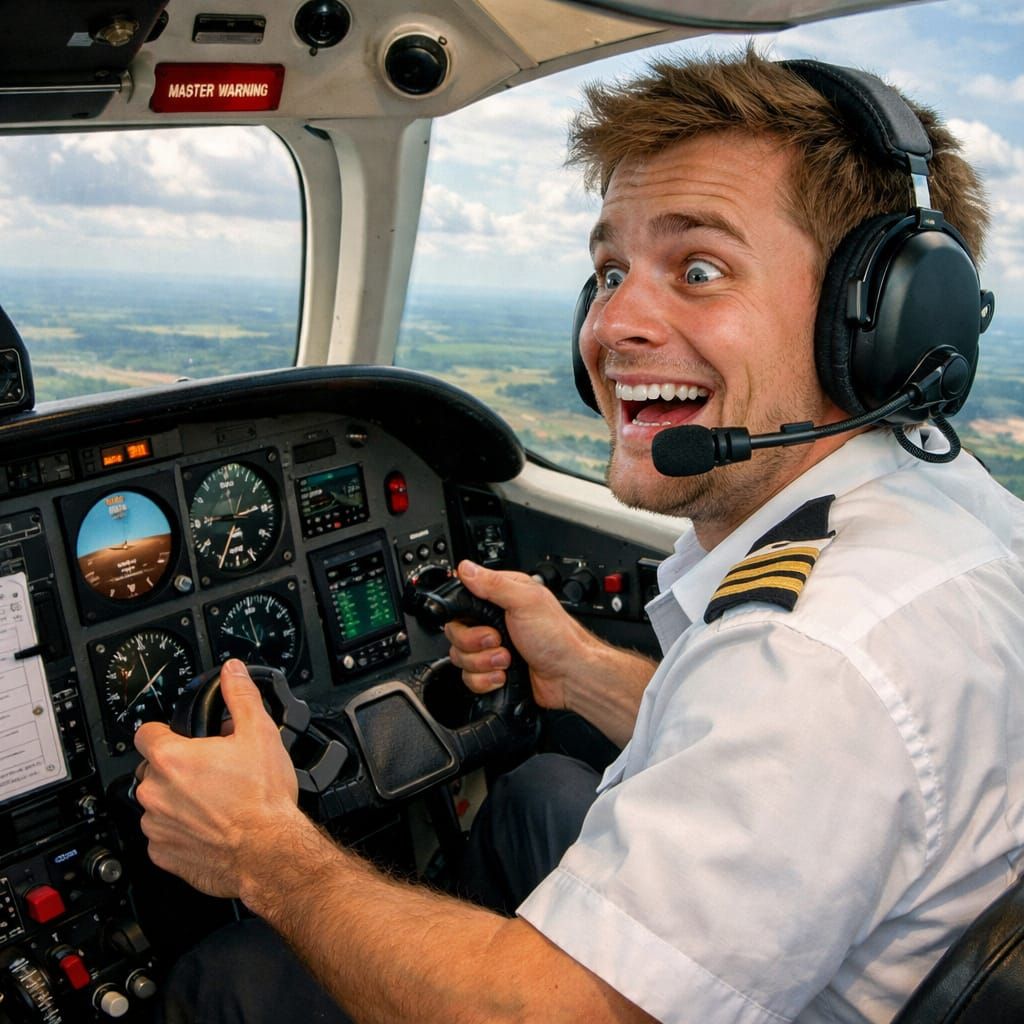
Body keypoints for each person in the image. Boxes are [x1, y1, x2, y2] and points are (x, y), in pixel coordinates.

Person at [134, 48, 1024, 1024]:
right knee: (541, 793)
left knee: (229, 978)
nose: (612, 325)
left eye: (697, 267)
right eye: (608, 270)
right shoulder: (945, 503)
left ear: (880, 319)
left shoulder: (811, 661)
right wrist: (576, 672)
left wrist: (262, 849)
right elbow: (780, 756)